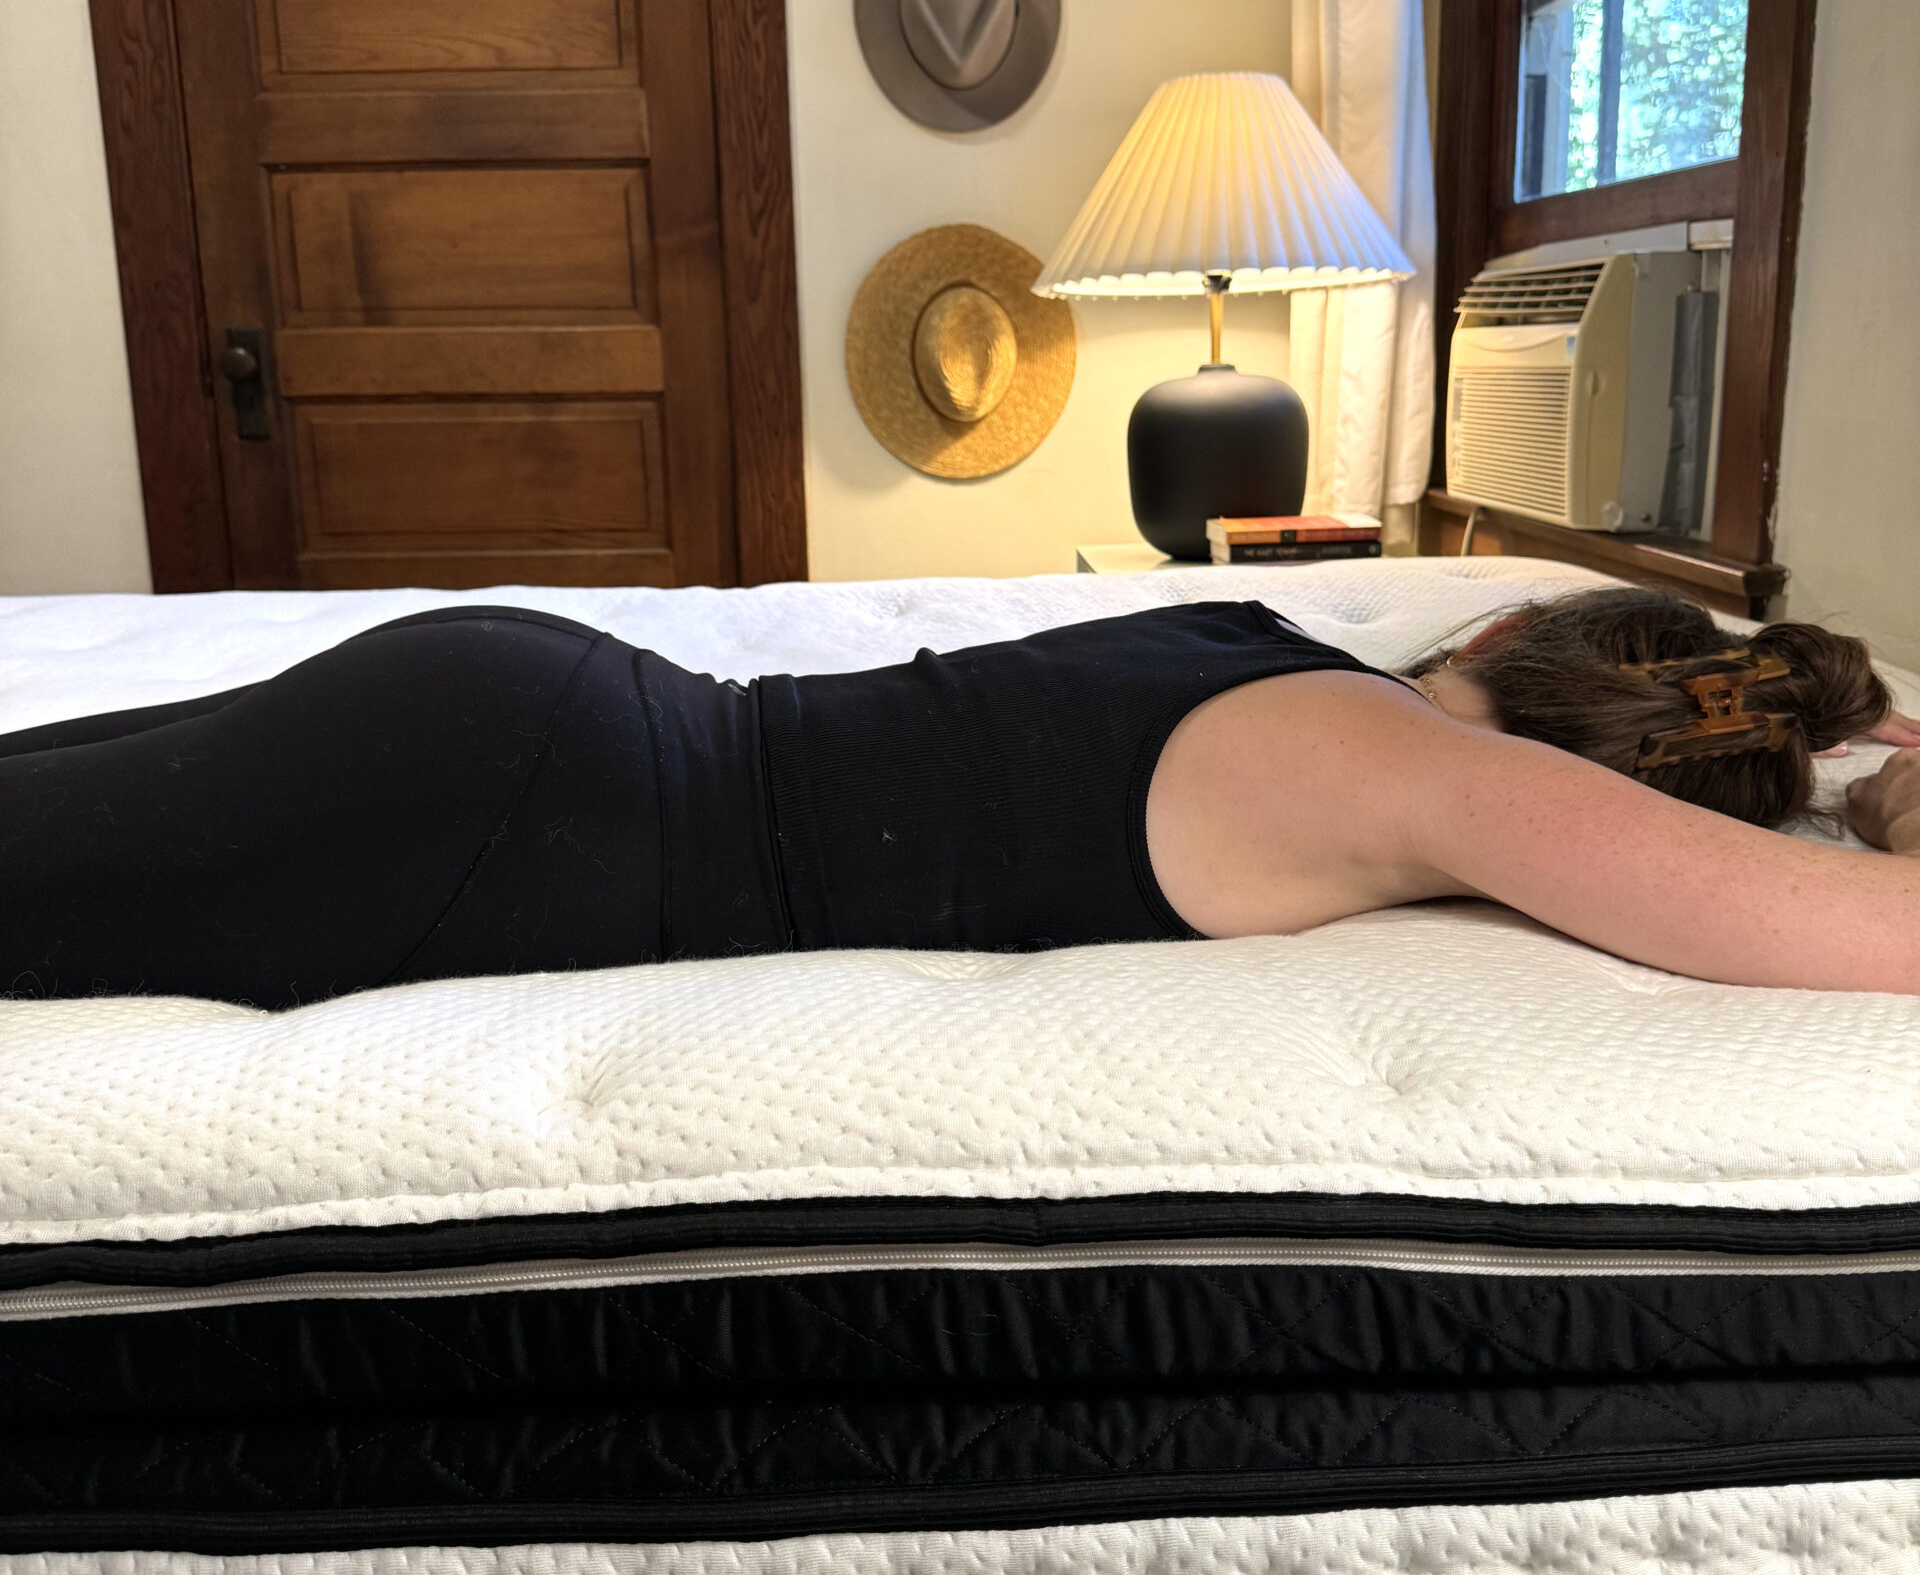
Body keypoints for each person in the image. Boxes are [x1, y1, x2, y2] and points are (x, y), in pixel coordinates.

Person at [1, 585, 1916, 1012]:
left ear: (1507, 615)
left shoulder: (1273, 640)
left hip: (532, 709)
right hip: (515, 820)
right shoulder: (1413, 775)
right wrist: (1888, 790)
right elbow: (1847, 931)